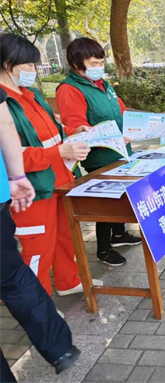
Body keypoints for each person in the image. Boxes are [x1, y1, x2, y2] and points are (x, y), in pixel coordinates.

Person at [0, 33, 103, 296]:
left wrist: (73, 130)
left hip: (59, 179)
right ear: (8, 64)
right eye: (31, 66)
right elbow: (11, 155)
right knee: (37, 250)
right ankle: (38, 309)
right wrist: (59, 151)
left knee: (64, 238)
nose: (35, 71)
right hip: (32, 190)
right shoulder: (4, 104)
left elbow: (52, 131)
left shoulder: (31, 95)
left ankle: (68, 282)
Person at [0, 86, 81, 382]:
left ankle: (64, 290)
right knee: (23, 268)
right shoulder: (9, 101)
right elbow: (7, 129)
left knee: (19, 269)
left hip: (47, 180)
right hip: (24, 187)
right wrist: (18, 177)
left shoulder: (30, 94)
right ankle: (58, 346)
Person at [56, 37, 141, 267]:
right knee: (105, 200)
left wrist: (136, 125)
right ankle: (103, 250)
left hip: (120, 149)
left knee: (121, 194)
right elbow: (75, 126)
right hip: (99, 155)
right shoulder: (69, 89)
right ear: (77, 64)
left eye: (101, 62)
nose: (99, 67)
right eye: (93, 63)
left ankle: (120, 234)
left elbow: (120, 110)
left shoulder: (103, 84)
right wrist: (103, 134)